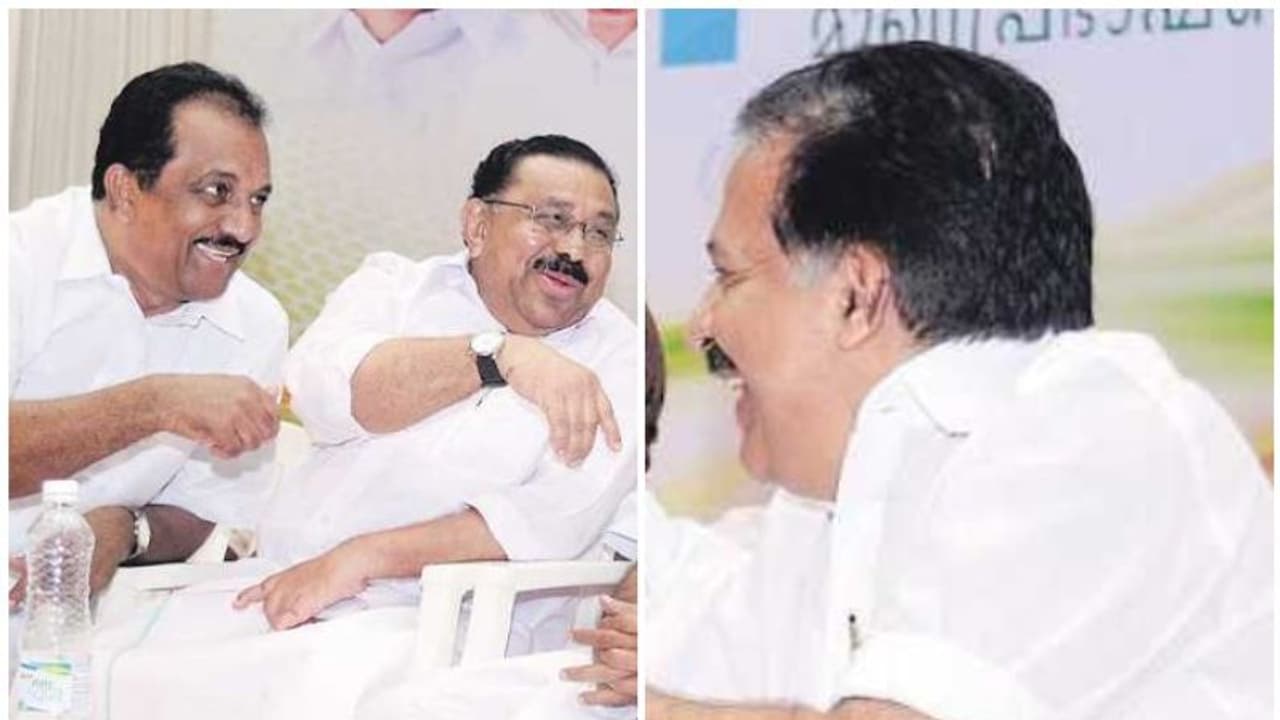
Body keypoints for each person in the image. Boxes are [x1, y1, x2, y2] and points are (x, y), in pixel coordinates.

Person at [646, 42, 1272, 719]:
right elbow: (652, 616)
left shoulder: (1094, 433)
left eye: (729, 276)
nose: (701, 324)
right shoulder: (818, 520)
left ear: (857, 295)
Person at [236, 134, 637, 658]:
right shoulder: (394, 288)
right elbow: (320, 398)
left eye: (599, 233)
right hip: (270, 585)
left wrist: (361, 558)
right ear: (478, 224)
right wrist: (495, 355)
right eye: (552, 220)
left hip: (442, 636)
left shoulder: (620, 360)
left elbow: (547, 522)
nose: (574, 251)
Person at [9, 62, 287, 608]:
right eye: (217, 192)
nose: (244, 227)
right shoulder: (18, 262)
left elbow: (212, 511)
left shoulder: (255, 323)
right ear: (125, 189)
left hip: (93, 629)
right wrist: (156, 404)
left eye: (258, 199)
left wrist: (126, 531)